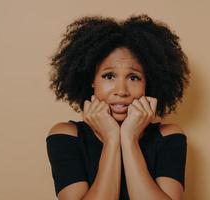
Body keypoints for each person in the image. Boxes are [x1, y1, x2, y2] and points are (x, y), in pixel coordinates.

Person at [46, 14, 190, 200]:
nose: (121, 91)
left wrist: (129, 138)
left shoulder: (168, 136)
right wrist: (111, 139)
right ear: (91, 80)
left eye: (133, 77)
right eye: (108, 76)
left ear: (148, 83)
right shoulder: (67, 136)